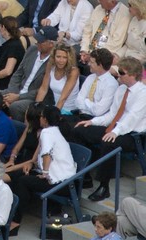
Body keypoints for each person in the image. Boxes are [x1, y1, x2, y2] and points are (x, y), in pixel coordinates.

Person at [72, 56, 146, 201]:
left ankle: (104, 186)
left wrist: (115, 132)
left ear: (133, 75)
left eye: (122, 72)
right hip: (116, 127)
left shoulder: (143, 93)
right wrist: (92, 122)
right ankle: (84, 176)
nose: (118, 74)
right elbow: (112, 114)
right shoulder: (121, 90)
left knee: (109, 142)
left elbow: (133, 118)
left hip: (132, 135)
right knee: (79, 130)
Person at [11, 105, 77, 233]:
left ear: (45, 119)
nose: (39, 118)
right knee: (20, 176)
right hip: (66, 180)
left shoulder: (46, 132)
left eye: (41, 116)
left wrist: (45, 173)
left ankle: (15, 221)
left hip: (62, 183)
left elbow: (47, 154)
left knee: (23, 181)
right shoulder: (55, 130)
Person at [1, 26, 58, 122]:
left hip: (34, 98)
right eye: (38, 40)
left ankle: (20, 131)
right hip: (17, 91)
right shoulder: (32, 49)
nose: (37, 43)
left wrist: (18, 97)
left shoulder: (54, 62)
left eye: (41, 42)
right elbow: (18, 73)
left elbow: (43, 89)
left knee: (16, 106)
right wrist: (13, 92)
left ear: (51, 44)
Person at [79, 0, 131, 76]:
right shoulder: (98, 9)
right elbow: (87, 31)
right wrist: (84, 50)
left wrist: (93, 55)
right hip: (90, 50)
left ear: (112, 1)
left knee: (90, 69)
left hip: (105, 55)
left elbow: (116, 43)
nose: (98, 1)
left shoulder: (125, 14)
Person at [4, 102, 44, 184]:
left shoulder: (44, 133)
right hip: (21, 160)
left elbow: (34, 160)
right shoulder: (30, 127)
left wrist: (12, 168)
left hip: (29, 165)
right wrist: (11, 160)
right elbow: (17, 147)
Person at [74, 48, 118, 122]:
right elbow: (78, 101)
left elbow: (98, 111)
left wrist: (86, 101)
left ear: (100, 65)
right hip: (80, 115)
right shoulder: (90, 77)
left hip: (95, 121)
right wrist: (91, 105)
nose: (89, 64)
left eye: (92, 62)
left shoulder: (111, 85)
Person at [36, 43, 79, 114]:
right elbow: (43, 89)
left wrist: (54, 115)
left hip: (68, 110)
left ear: (69, 58)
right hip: (54, 105)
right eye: (58, 57)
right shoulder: (50, 66)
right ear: (54, 57)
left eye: (65, 57)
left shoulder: (74, 71)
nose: (61, 60)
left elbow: (63, 98)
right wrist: (36, 106)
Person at [0, 16, 25, 90]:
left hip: (7, 86)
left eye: (0, 27)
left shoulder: (14, 46)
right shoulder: (8, 44)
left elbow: (8, 71)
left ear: (3, 27)